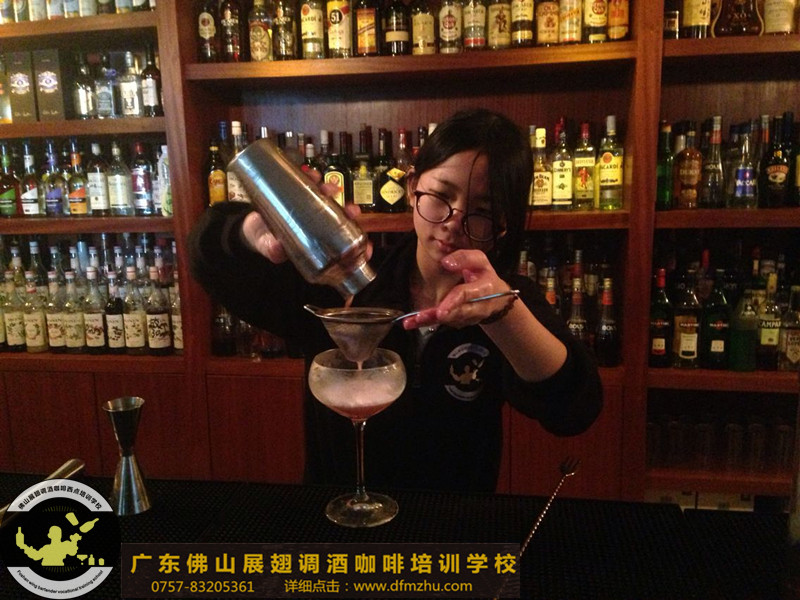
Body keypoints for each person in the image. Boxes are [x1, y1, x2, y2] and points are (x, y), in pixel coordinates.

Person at [189, 108, 603, 492]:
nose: (453, 222)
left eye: (482, 210)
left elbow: (575, 409)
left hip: (453, 527)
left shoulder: (510, 301)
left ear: (504, 225)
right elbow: (206, 257)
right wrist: (254, 232)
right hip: (337, 518)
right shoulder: (339, 279)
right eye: (441, 195)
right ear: (411, 187)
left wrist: (503, 316)